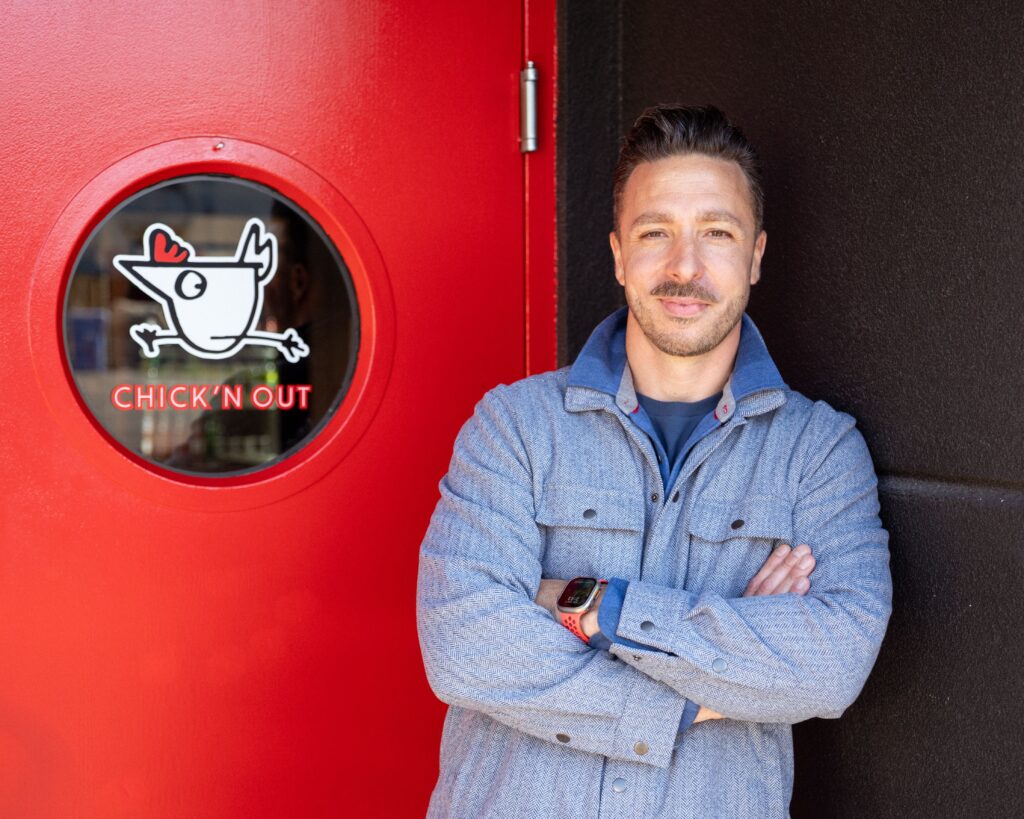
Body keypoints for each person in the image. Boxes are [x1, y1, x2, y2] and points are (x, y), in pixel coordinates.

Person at [416, 104, 892, 818]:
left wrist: (591, 604)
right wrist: (706, 687)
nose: (685, 266)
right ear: (616, 253)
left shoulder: (818, 454)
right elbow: (464, 644)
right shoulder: (514, 426)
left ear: (756, 254)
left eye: (717, 233)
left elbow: (830, 665)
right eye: (655, 232)